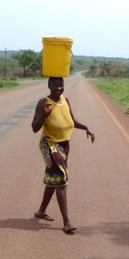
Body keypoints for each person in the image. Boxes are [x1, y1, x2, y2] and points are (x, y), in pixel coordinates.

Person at [31, 77, 95, 234]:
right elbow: (34, 127)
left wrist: (86, 127)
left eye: (61, 85)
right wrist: (45, 115)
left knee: (54, 178)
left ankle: (41, 211)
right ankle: (67, 222)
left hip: (64, 145)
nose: (58, 88)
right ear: (49, 86)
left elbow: (71, 121)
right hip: (50, 145)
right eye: (55, 85)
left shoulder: (65, 100)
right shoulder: (43, 102)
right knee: (61, 181)